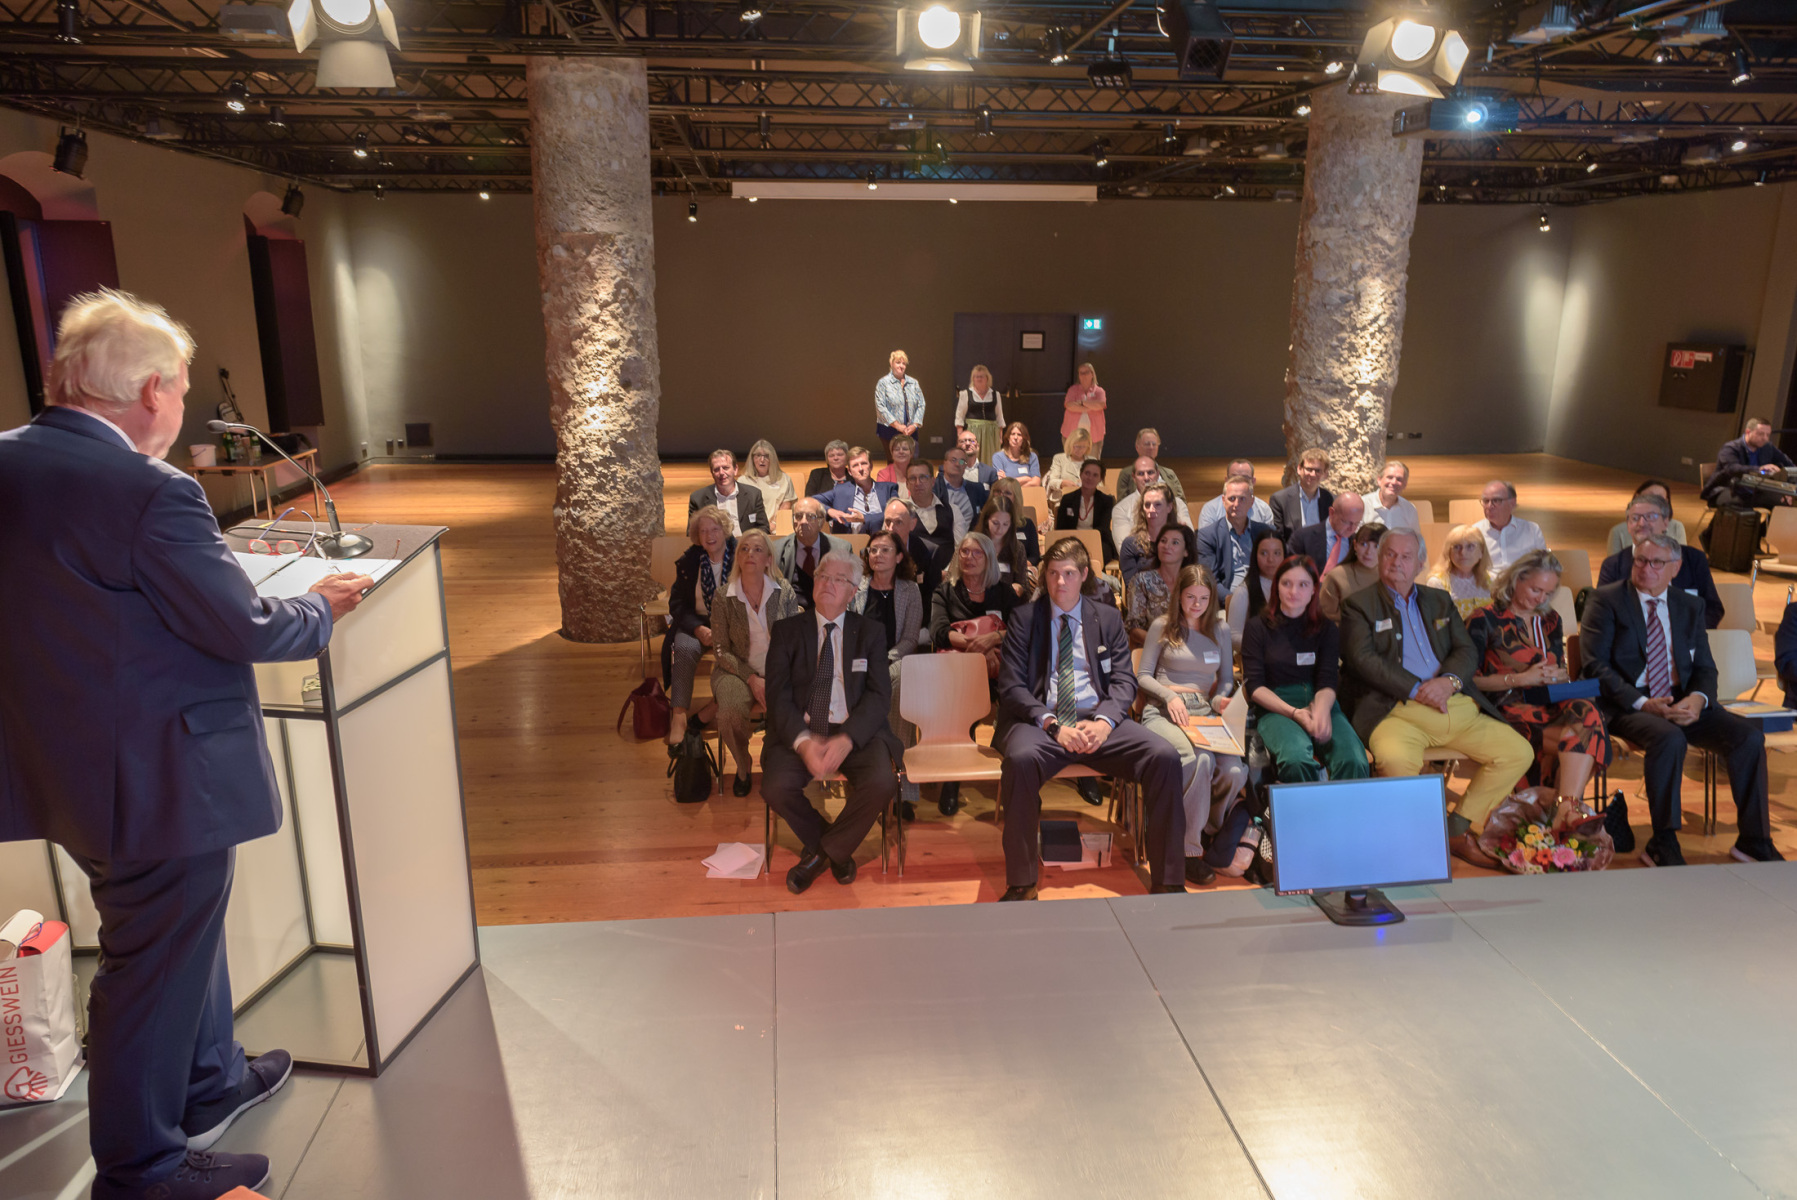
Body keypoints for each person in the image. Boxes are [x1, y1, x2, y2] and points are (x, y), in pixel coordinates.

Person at [0, 289, 373, 1200]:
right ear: (152, 391)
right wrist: (318, 608)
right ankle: (143, 1168)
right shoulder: (149, 490)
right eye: (178, 389)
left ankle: (209, 1080)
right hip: (158, 771)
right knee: (152, 963)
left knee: (172, 931)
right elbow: (243, 626)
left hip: (57, 763)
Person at [994, 537, 1188, 899]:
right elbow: (1012, 686)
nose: (1060, 582)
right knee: (1019, 761)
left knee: (1164, 757)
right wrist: (1053, 724)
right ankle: (1021, 882)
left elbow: (1124, 680)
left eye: (1068, 573)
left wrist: (1104, 723)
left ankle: (1169, 880)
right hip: (1042, 723)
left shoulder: (1107, 618)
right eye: (1053, 573)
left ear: (1084, 575)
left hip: (1098, 721)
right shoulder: (1024, 618)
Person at [1580, 532, 1782, 866]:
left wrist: (1699, 700)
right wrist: (1643, 703)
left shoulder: (1689, 605)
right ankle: (1663, 842)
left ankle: (1754, 840)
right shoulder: (1606, 601)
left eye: (1656, 563)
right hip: (1627, 703)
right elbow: (1594, 667)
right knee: (1669, 738)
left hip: (1681, 700)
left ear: (1675, 568)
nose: (1646, 569)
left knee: (1749, 738)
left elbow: (1705, 667)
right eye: (1640, 561)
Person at [1338, 528, 1534, 868]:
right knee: (1396, 764)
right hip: (1396, 712)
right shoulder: (1358, 605)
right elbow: (1363, 660)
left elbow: (1466, 649)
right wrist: (1418, 689)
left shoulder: (1439, 600)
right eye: (1390, 554)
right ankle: (1407, 845)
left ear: (1420, 564)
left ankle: (1456, 830)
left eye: (1405, 556)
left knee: (1518, 752)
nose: (1396, 562)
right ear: (1379, 560)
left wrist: (1449, 682)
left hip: (1455, 706)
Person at [761, 549, 903, 893]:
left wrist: (848, 738)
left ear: (853, 592)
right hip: (800, 729)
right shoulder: (786, 631)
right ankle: (835, 849)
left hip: (854, 730)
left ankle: (819, 856)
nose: (828, 583)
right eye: (823, 576)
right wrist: (802, 742)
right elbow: (777, 696)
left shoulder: (870, 632)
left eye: (839, 579)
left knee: (882, 782)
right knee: (775, 786)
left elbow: (879, 696)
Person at [1466, 550, 1606, 804]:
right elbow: (1466, 680)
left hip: (1549, 698)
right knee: (1583, 741)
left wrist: (1558, 675)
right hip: (1507, 704)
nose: (1541, 598)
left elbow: (1558, 667)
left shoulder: (1550, 619)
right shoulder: (1483, 619)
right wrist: (1520, 679)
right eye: (1535, 590)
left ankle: (1563, 809)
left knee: (1589, 714)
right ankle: (1566, 809)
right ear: (1516, 580)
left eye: (1548, 593)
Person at [1137, 564, 1246, 884]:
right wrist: (1168, 696)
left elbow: (1225, 681)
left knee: (1234, 770)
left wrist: (1220, 700)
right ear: (1178, 596)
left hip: (1204, 711)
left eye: (1203, 598)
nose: (1196, 604)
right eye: (1190, 597)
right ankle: (1187, 850)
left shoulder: (1219, 630)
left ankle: (1206, 830)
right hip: (1164, 708)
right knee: (1200, 760)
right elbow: (1143, 675)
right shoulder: (1163, 626)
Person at [1242, 556, 1369, 784]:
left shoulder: (1326, 629)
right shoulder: (1257, 627)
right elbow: (1254, 686)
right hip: (1276, 706)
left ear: (1313, 590)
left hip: (1320, 701)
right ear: (1276, 587)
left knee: (1353, 759)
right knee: (1296, 759)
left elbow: (1327, 680)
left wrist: (1321, 711)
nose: (1294, 591)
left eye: (1303, 584)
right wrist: (1294, 713)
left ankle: (1342, 808)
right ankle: (1304, 808)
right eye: (1286, 583)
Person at [930, 531, 1021, 815]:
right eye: (965, 552)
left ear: (989, 557)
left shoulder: (1003, 592)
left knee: (1017, 704)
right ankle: (952, 781)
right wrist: (978, 648)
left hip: (1000, 668)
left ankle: (1016, 781)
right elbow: (939, 632)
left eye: (977, 552)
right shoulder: (945, 592)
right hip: (961, 670)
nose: (969, 558)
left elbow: (1021, 629)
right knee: (964, 705)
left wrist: (993, 638)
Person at [711, 528, 800, 796]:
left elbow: (795, 642)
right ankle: (743, 765)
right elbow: (721, 651)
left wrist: (775, 678)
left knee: (792, 705)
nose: (750, 553)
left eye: (758, 549)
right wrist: (752, 678)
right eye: (744, 549)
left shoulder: (783, 592)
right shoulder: (723, 597)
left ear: (768, 560)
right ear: (738, 558)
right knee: (728, 714)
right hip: (735, 671)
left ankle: (775, 758)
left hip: (780, 672)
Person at [850, 530, 925, 819]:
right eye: (873, 550)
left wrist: (884, 660)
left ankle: (900, 790)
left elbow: (910, 639)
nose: (877, 555)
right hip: (859, 662)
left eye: (884, 550)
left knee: (900, 685)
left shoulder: (910, 591)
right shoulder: (856, 587)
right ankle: (876, 786)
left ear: (899, 557)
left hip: (895, 661)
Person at [664, 505, 736, 746]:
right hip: (697, 623)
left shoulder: (741, 558)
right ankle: (679, 716)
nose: (709, 535)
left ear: (725, 530)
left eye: (715, 529)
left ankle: (714, 707)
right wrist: (697, 628)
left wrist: (723, 630)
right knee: (684, 649)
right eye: (703, 531)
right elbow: (676, 604)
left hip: (733, 626)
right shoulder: (690, 561)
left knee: (739, 656)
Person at [1597, 491, 1723, 629]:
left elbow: (1713, 608)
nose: (1641, 523)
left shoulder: (1693, 559)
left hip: (1686, 638)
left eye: (1650, 517)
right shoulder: (1613, 565)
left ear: (1665, 522)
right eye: (1634, 518)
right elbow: (1603, 612)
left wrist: (1684, 634)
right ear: (1628, 525)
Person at [1195, 475, 1276, 600]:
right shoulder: (1207, 536)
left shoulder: (1266, 532)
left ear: (1252, 502)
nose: (1236, 504)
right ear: (1223, 500)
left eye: (1242, 499)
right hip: (1227, 600)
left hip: (1264, 597)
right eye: (1232, 499)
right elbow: (1209, 579)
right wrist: (1232, 601)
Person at [1126, 522, 1196, 646]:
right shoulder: (1142, 581)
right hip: (1155, 647)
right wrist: (1163, 644)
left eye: (1175, 542)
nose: (1166, 546)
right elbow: (1134, 629)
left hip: (1190, 646)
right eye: (1163, 541)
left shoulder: (1194, 582)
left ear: (1186, 551)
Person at [1702, 416, 1796, 506]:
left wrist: (1790, 491)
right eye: (1761, 434)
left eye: (1768, 435)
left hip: (1755, 491)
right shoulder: (1730, 448)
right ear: (1748, 432)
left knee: (1784, 502)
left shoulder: (1767, 447)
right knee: (1741, 504)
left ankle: (1764, 519)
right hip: (1726, 489)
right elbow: (1732, 469)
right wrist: (1760, 469)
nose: (1765, 438)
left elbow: (1789, 466)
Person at [1111, 455, 1193, 553]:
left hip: (1174, 558)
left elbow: (1189, 540)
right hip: (1140, 559)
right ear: (1134, 477)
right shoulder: (1121, 509)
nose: (1146, 478)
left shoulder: (1177, 503)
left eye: (1150, 472)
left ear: (1158, 474)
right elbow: (1124, 549)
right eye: (1141, 474)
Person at [814, 445, 897, 533]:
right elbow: (812, 501)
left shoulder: (889, 489)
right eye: (855, 465)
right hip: (849, 540)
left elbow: (896, 514)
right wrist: (830, 511)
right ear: (850, 472)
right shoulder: (840, 490)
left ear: (871, 466)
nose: (860, 469)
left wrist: (864, 518)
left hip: (883, 539)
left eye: (864, 463)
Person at [688, 448, 769, 537]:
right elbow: (692, 534)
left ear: (735, 469)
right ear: (712, 473)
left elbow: (763, 528)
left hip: (745, 544)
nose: (721, 472)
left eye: (725, 468)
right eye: (716, 469)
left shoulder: (753, 495)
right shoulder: (698, 499)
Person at [773, 497, 835, 610]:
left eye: (810, 517)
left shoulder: (840, 549)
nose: (803, 522)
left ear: (821, 522)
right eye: (798, 516)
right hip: (791, 613)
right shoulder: (776, 550)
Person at [1054, 457, 1117, 564]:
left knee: (1098, 554)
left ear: (1100, 479)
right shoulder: (1067, 499)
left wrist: (1087, 539)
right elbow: (1061, 528)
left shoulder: (1106, 501)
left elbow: (1103, 528)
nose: (1090, 478)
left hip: (1098, 541)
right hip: (1072, 541)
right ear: (1081, 474)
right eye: (1087, 473)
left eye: (1095, 475)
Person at [1319, 520, 1384, 623]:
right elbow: (1326, 616)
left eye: (1377, 546)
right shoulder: (1336, 576)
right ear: (1355, 545)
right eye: (1364, 544)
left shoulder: (1392, 576)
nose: (1369, 552)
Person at [1425, 523, 1494, 621]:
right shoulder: (1437, 583)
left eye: (1470, 546)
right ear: (1449, 552)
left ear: (1481, 552)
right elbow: (1436, 624)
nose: (1463, 553)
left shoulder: (1492, 580)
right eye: (1457, 547)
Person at [1473, 480, 1545, 573]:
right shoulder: (1475, 532)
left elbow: (1543, 565)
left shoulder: (1532, 530)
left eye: (1496, 500)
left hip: (1522, 580)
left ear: (1512, 502)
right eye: (1486, 501)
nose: (1489, 506)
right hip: (1488, 582)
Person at [1118, 482, 1181, 584]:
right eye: (1147, 505)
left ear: (1169, 507)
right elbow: (1132, 587)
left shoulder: (1182, 541)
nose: (1151, 510)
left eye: (1157, 504)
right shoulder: (1130, 544)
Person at [1288, 491, 1364, 575]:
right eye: (1346, 522)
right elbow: (1292, 573)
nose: (1352, 528)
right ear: (1331, 513)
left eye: (1357, 523)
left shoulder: (1357, 542)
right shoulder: (1302, 537)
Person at [1268, 447, 1334, 541]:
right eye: (1309, 469)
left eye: (1318, 470)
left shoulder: (1327, 498)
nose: (1312, 474)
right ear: (1299, 469)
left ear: (1325, 474)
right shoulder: (1280, 500)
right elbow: (1278, 538)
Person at [1605, 480, 1688, 554]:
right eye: (1650, 496)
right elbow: (1613, 564)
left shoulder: (1676, 527)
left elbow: (1682, 560)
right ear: (1637, 497)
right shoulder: (1618, 532)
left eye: (1660, 498)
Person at [977, 492, 1035, 596]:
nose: (1000, 529)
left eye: (1005, 524)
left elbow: (1024, 587)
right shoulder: (974, 545)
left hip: (1007, 601)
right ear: (986, 520)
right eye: (995, 523)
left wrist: (1019, 588)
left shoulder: (1017, 548)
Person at [1195, 458, 1276, 530]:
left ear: (1253, 481)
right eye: (1234, 477)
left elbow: (1269, 539)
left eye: (1245, 478)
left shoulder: (1264, 509)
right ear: (1226, 480)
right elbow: (1206, 540)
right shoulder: (1211, 509)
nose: (1239, 482)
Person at [874, 349, 925, 453]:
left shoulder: (913, 383)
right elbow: (880, 407)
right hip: (889, 430)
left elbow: (921, 404)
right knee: (893, 460)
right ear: (891, 363)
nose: (901, 366)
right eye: (898, 362)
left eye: (904, 363)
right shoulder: (883, 383)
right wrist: (897, 426)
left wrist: (915, 425)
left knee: (912, 459)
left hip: (910, 430)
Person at [934, 445, 989, 543]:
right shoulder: (934, 488)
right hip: (940, 543)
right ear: (944, 463)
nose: (957, 464)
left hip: (970, 543)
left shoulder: (976, 489)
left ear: (965, 466)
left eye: (961, 461)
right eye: (953, 460)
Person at [954, 363, 1006, 464]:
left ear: (987, 378)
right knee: (971, 458)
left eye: (981, 376)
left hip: (991, 433)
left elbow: (1000, 416)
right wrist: (960, 435)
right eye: (976, 376)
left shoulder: (995, 394)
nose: (979, 379)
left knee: (990, 459)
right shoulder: (965, 394)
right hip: (973, 431)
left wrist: (1000, 436)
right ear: (973, 379)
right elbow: (959, 416)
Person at [986, 476, 1043, 567]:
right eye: (998, 491)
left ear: (1016, 498)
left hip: (1020, 569)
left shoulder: (1027, 524)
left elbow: (1034, 557)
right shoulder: (981, 520)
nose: (1002, 495)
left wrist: (1018, 567)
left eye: (1007, 493)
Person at [1114, 428, 1185, 501]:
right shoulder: (1126, 474)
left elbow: (1182, 501)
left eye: (1154, 444)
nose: (1151, 447)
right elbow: (1122, 503)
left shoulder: (1170, 473)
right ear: (1137, 447)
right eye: (1147, 444)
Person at [1061, 361, 1108, 459]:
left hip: (1094, 436)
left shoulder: (1099, 391)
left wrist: (1082, 403)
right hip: (1071, 434)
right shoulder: (1072, 390)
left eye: (1086, 372)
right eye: (1081, 373)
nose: (1083, 375)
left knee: (1092, 462)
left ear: (1092, 374)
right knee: (1071, 462)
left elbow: (1100, 405)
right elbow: (1069, 405)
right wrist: (1091, 406)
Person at [1361, 460, 1420, 529]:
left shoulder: (1410, 509)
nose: (1394, 482)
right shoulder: (1363, 505)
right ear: (1379, 480)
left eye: (1399, 479)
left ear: (1405, 484)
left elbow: (1415, 535)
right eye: (1390, 477)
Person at [1243, 529, 1287, 621]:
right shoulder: (1243, 592)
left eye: (1277, 553)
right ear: (1255, 555)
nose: (1270, 559)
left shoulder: (1292, 588)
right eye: (1264, 553)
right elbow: (1235, 630)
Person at [1043, 427, 1094, 505]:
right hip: (1064, 500)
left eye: (1084, 447)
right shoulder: (1059, 459)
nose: (1080, 450)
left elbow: (1100, 485)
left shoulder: (1093, 461)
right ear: (1070, 444)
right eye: (1077, 446)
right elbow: (1051, 482)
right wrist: (1062, 483)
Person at [742, 438, 795, 512]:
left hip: (777, 519)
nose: (762, 460)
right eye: (758, 455)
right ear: (752, 458)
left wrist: (773, 520)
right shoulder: (743, 481)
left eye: (766, 456)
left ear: (773, 459)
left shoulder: (784, 479)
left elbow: (785, 510)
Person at [990, 421, 1043, 487]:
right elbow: (1002, 483)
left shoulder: (1032, 456)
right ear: (1008, 437)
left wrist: (1009, 481)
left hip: (1027, 493)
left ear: (1024, 439)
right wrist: (1026, 479)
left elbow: (1036, 483)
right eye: (1013, 434)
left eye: (1019, 435)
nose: (1015, 437)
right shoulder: (998, 457)